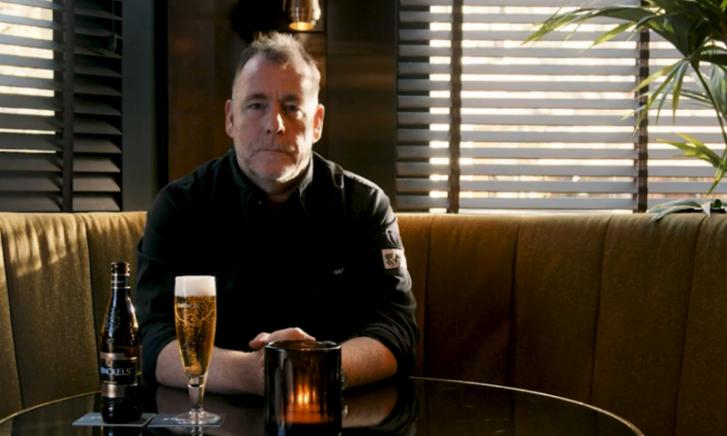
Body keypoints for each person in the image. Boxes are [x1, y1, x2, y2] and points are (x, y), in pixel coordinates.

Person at [135, 32, 418, 395]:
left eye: (292, 107)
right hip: (207, 415)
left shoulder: (364, 205)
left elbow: (396, 326)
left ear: (316, 123)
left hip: (335, 411)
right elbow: (153, 338)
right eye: (256, 105)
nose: (275, 124)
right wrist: (250, 374)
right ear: (230, 118)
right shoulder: (179, 207)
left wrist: (317, 369)